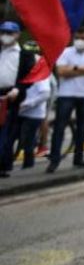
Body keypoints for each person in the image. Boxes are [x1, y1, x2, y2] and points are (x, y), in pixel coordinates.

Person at [47, 28, 84, 173]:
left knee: (82, 128)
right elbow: (61, 71)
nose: (79, 41)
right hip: (66, 94)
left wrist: (74, 68)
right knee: (59, 127)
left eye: (83, 38)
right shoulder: (66, 52)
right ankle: (54, 160)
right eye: (77, 38)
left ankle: (79, 158)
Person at [0, 22, 38, 177]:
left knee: (6, 133)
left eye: (9, 33)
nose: (5, 35)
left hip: (10, 97)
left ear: (17, 35)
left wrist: (18, 89)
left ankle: (3, 165)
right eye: (3, 32)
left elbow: (28, 78)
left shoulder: (24, 55)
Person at [15, 72, 51, 170]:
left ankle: (28, 165)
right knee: (19, 138)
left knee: (28, 141)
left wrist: (28, 104)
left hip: (34, 113)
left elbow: (45, 93)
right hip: (20, 111)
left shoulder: (40, 73)